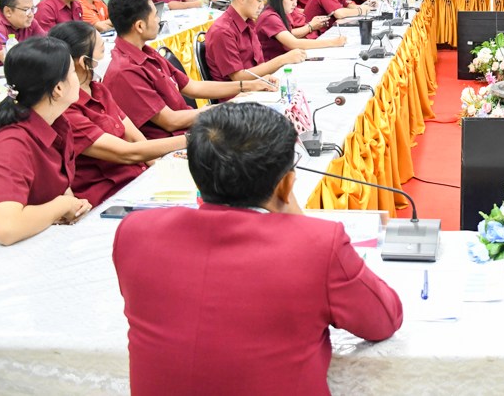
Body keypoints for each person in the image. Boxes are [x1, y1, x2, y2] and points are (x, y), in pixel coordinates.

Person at [112, 103, 403, 396]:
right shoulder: (317, 245)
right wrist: (298, 220)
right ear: (286, 185)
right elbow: (384, 319)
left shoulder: (134, 232)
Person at [103, 0, 273, 140]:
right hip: (175, 143)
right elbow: (170, 121)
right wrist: (227, 107)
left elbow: (192, 87)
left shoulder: (147, 53)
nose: (159, 19)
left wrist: (248, 86)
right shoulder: (125, 71)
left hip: (190, 129)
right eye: (155, 15)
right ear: (140, 26)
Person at [48, 22, 186, 206]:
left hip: (139, 179)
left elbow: (135, 137)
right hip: (111, 194)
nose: (109, 55)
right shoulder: (67, 110)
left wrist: (165, 174)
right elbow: (126, 153)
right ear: (83, 62)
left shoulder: (99, 89)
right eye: (102, 50)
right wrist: (190, 139)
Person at [0, 37, 90, 245]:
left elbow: (58, 183)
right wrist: (62, 205)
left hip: (40, 238)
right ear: (58, 88)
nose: (78, 76)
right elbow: (5, 228)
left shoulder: (57, 123)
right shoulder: (10, 145)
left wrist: (71, 204)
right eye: (73, 72)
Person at [204, 0, 306, 91]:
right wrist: (283, 59)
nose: (262, 6)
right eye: (259, 0)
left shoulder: (248, 22)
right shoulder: (223, 31)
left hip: (257, 87)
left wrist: (267, 78)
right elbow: (238, 77)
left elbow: (258, 65)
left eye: (263, 1)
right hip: (238, 97)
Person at [256, 0, 346, 61]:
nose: (295, 4)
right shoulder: (269, 17)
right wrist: (333, 42)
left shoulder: (283, 12)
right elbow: (294, 43)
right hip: (276, 65)